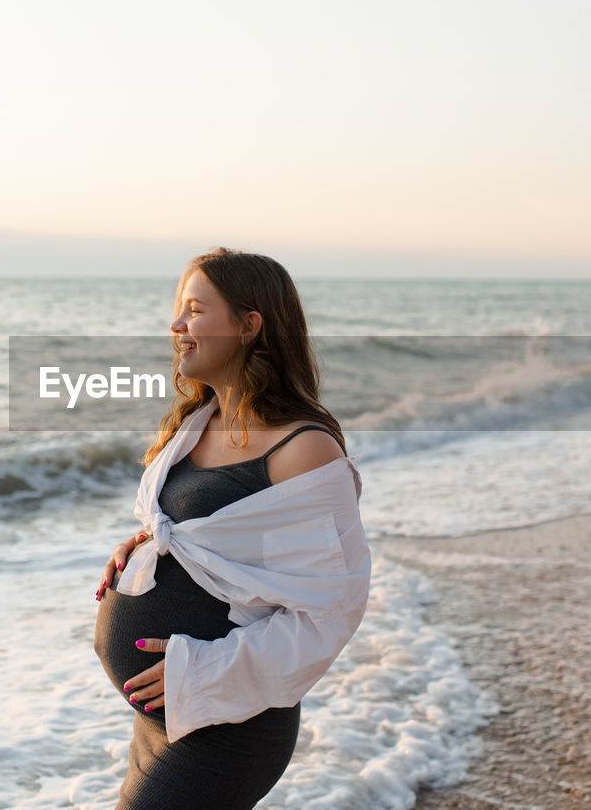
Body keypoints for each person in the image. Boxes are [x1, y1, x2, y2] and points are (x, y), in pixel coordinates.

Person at [92, 247, 371, 810]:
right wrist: (154, 548)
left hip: (230, 722)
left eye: (195, 310)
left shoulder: (304, 449)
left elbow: (331, 610)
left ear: (249, 325)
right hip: (167, 720)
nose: (176, 326)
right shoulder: (197, 424)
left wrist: (204, 672)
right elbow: (227, 543)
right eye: (179, 310)